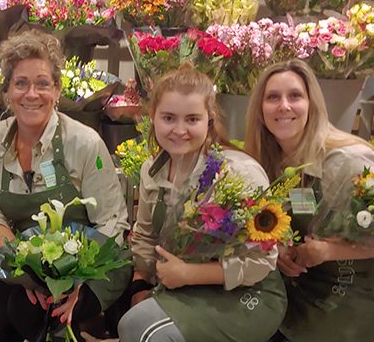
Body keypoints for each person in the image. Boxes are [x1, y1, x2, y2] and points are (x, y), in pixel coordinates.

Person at [0, 29, 131, 342]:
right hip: (25, 263)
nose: (31, 94)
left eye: (43, 83)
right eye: (21, 83)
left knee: (33, 317)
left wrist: (77, 284)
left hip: (92, 266)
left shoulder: (84, 143)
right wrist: (24, 269)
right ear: (7, 91)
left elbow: (111, 223)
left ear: (58, 90)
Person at [118, 63, 287, 342]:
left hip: (246, 293)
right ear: (152, 117)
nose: (179, 130)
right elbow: (147, 236)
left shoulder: (239, 173)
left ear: (209, 120)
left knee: (144, 332)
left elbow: (262, 261)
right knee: (131, 322)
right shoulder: (152, 170)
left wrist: (188, 274)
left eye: (192, 119)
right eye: (169, 118)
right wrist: (139, 285)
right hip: (182, 287)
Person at [244, 59, 374, 342]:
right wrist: (281, 249)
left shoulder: (347, 163)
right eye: (273, 97)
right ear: (260, 110)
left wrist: (329, 252)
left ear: (312, 104)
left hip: (362, 295)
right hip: (309, 284)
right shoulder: (270, 160)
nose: (284, 106)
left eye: (295, 96)